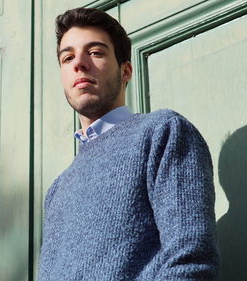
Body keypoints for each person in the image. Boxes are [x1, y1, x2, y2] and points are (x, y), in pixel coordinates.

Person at [38, 7, 220, 281]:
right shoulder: (57, 190)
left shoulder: (161, 132)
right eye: (68, 57)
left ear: (126, 71)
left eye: (96, 52)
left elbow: (190, 258)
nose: (79, 63)